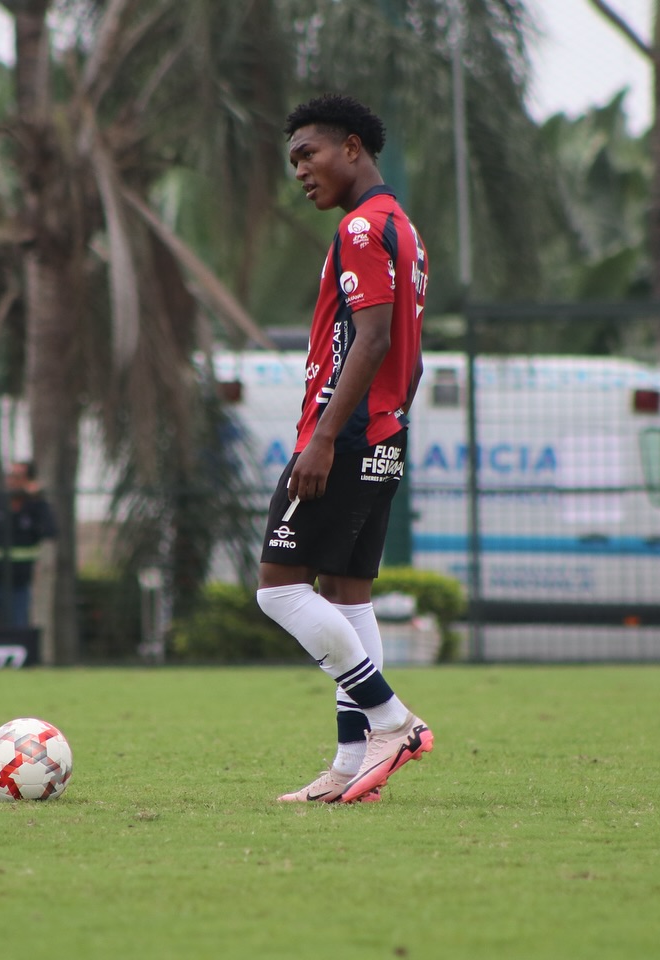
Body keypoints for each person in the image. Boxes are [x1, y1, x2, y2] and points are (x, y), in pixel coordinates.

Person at [256, 94, 433, 804]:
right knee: (347, 595)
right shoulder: (403, 228)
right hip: (384, 430)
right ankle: (351, 762)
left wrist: (326, 437)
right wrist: (388, 424)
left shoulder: (363, 228)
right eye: (293, 160)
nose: (300, 170)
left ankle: (393, 721)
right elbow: (406, 354)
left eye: (310, 153)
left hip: (348, 432)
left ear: (353, 148)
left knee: (279, 589)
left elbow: (375, 338)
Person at [0, 461, 57, 629]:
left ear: (29, 481)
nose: (11, 481)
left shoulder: (37, 508)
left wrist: (38, 499)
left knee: (17, 633)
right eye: (10, 476)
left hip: (17, 586)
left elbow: (50, 531)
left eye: (17, 477)